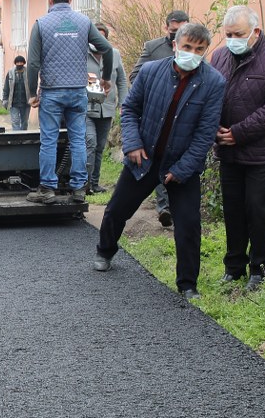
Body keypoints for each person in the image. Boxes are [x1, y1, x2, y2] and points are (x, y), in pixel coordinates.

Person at [92, 22, 225, 296]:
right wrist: (132, 144)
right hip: (144, 157)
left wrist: (183, 169)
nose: (192, 53)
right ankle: (105, 250)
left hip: (182, 164)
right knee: (117, 210)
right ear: (175, 44)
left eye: (199, 49)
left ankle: (187, 285)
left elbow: (205, 133)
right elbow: (130, 109)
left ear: (205, 51)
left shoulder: (214, 83)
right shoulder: (152, 71)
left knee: (188, 224)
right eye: (187, 47)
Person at [208, 5, 265, 292]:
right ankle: (233, 266)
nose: (233, 39)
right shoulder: (219, 56)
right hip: (228, 150)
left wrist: (238, 133)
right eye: (228, 34)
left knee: (258, 210)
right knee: (233, 209)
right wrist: (215, 131)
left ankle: (258, 267)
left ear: (256, 32)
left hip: (264, 151)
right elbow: (208, 97)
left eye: (239, 34)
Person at [24, 0, 112, 204]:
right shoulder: (84, 22)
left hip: (52, 92)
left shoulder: (41, 24)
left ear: (50, 1)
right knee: (78, 140)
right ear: (70, 1)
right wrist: (106, 78)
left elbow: (33, 63)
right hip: (77, 92)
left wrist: (32, 93)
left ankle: (47, 188)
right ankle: (79, 189)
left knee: (49, 140)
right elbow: (107, 48)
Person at [136, 8, 192, 227]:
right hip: (158, 116)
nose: (177, 34)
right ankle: (164, 207)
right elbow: (136, 75)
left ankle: (178, 206)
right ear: (166, 28)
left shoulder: (194, 50)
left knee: (178, 162)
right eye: (173, 31)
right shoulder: (153, 48)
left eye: (182, 30)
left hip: (185, 117)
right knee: (160, 161)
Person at [84, 23, 126, 194]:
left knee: (100, 146)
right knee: (90, 143)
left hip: (106, 108)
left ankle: (94, 183)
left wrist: (123, 104)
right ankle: (83, 184)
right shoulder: (81, 54)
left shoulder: (114, 54)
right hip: (85, 107)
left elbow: (122, 81)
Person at [1, 54, 31, 131]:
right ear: (15, 63)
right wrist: (5, 99)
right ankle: (17, 138)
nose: (19, 64)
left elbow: (33, 85)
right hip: (13, 102)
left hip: (26, 102)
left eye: (21, 62)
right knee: (15, 122)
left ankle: (24, 138)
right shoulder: (10, 73)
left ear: (24, 63)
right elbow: (6, 87)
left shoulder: (28, 73)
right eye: (17, 62)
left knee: (24, 122)